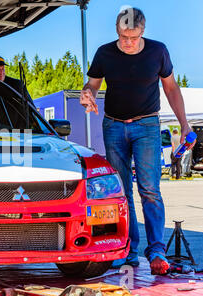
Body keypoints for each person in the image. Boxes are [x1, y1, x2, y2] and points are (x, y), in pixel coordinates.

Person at [79, 7, 195, 275]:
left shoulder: (158, 51)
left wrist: (184, 123)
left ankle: (156, 251)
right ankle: (127, 250)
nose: (127, 43)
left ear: (143, 31)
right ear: (117, 31)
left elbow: (171, 87)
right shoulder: (104, 52)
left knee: (150, 189)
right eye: (122, 37)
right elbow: (92, 84)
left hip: (147, 126)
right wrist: (87, 94)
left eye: (132, 37)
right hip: (113, 126)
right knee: (121, 193)